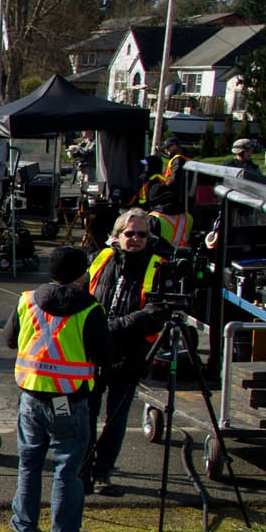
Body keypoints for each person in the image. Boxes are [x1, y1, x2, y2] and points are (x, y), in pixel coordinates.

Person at [6, 246, 112, 532]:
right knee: (67, 468)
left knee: (29, 463)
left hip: (31, 395)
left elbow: (11, 338)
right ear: (83, 274)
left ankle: (25, 526)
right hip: (68, 399)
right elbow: (104, 354)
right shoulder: (91, 309)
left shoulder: (28, 300)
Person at [81, 210, 170, 495]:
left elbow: (156, 312)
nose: (135, 239)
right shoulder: (102, 257)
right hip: (94, 351)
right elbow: (84, 291)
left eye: (142, 234)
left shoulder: (159, 265)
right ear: (117, 236)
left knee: (115, 418)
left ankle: (102, 471)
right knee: (87, 412)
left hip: (130, 353)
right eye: (129, 233)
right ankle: (83, 468)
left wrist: (113, 327)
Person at [138, 135, 191, 248]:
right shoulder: (188, 217)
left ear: (174, 146)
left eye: (168, 148)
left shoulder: (155, 180)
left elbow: (174, 181)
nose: (167, 151)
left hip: (158, 210)